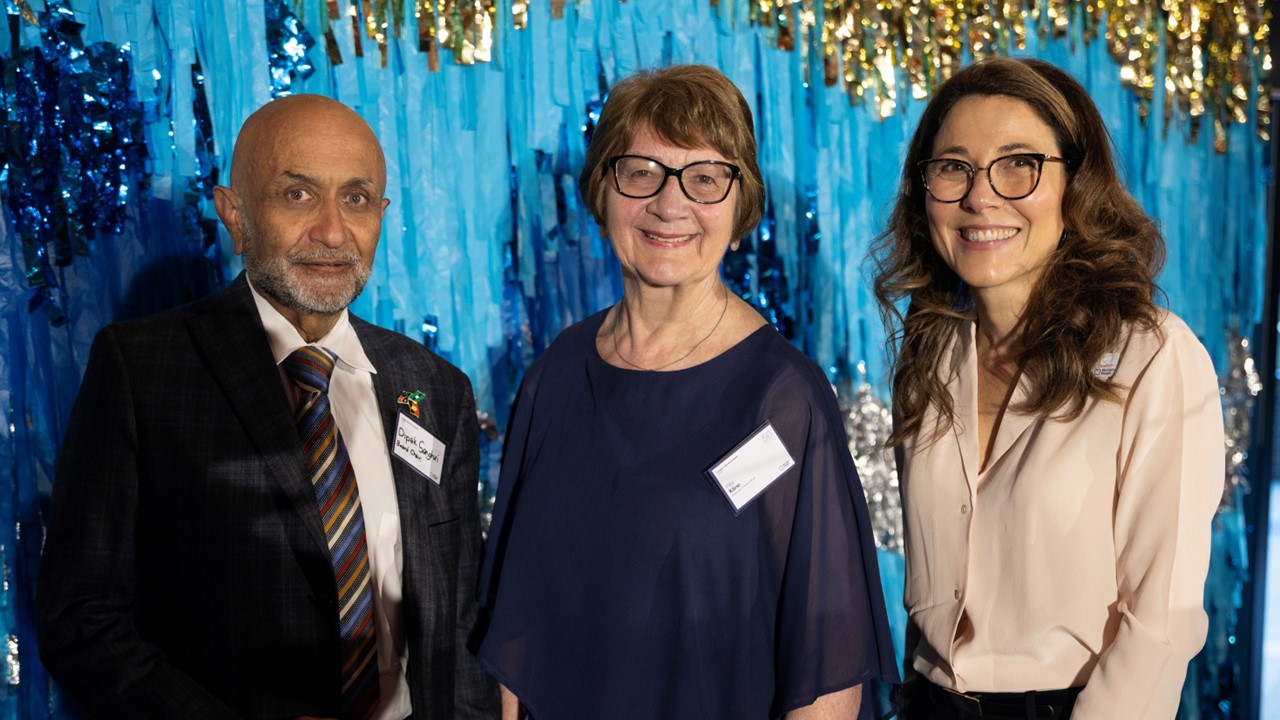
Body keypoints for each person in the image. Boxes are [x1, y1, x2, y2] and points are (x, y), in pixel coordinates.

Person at [37, 94, 499, 720]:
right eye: (298, 195)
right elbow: (81, 620)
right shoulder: (142, 369)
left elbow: (458, 617)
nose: (334, 231)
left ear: (382, 214)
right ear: (234, 214)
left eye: (357, 199)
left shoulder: (435, 387)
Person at [475, 64, 899, 720]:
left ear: (739, 210)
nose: (668, 205)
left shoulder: (783, 400)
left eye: (704, 178)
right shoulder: (555, 374)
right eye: (642, 171)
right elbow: (511, 633)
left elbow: (827, 673)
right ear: (602, 191)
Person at [871, 57, 1224, 719]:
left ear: (1076, 184)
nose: (982, 196)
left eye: (1019, 163)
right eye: (953, 167)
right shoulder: (931, 352)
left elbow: (1161, 624)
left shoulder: (1153, 355)